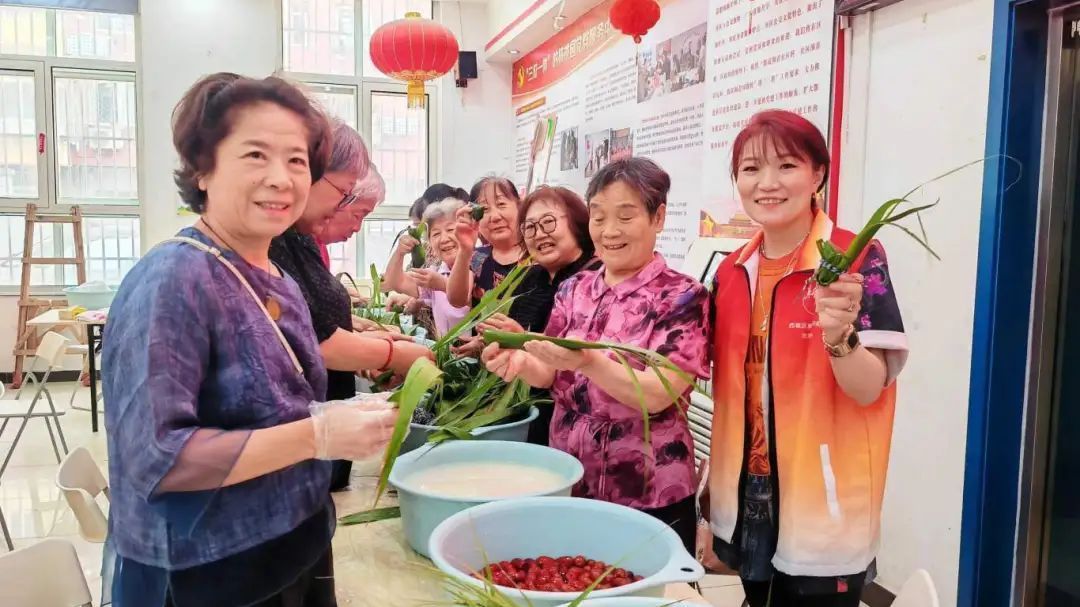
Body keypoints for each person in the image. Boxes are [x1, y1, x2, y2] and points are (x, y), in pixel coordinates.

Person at [102, 72, 399, 607]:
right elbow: (158, 458)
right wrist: (317, 435)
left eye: (296, 160)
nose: (281, 179)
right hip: (210, 571)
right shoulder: (174, 278)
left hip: (294, 542)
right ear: (203, 168)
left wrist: (344, 419)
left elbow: (281, 404)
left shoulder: (277, 276)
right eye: (256, 155)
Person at [705, 110, 908, 607]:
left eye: (787, 165)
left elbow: (870, 387)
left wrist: (839, 338)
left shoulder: (853, 258)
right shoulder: (732, 271)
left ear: (818, 173)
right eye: (751, 169)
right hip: (747, 488)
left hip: (821, 492)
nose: (767, 183)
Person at [481, 158, 710, 553]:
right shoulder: (575, 289)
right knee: (572, 574)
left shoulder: (682, 297)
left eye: (626, 216)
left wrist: (590, 362)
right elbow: (551, 371)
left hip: (647, 487)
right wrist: (521, 363)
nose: (610, 231)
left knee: (643, 581)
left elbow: (658, 394)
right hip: (571, 475)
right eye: (599, 217)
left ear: (658, 218)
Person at [269, 119, 431, 492]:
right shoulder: (260, 249)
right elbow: (314, 341)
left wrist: (373, 347)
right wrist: (392, 354)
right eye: (345, 195)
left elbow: (313, 327)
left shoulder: (297, 239)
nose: (344, 208)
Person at [475, 186, 600, 446]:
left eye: (548, 222)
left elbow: (584, 351)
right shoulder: (530, 277)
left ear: (577, 223)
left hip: (579, 417)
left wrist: (523, 338)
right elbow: (517, 335)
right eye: (530, 228)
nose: (539, 234)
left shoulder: (596, 279)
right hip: (529, 403)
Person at [382, 197, 471, 338]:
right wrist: (399, 253)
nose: (444, 239)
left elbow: (466, 298)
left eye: (450, 229)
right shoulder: (435, 273)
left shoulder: (478, 265)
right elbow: (395, 282)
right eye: (436, 234)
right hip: (445, 350)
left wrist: (442, 284)